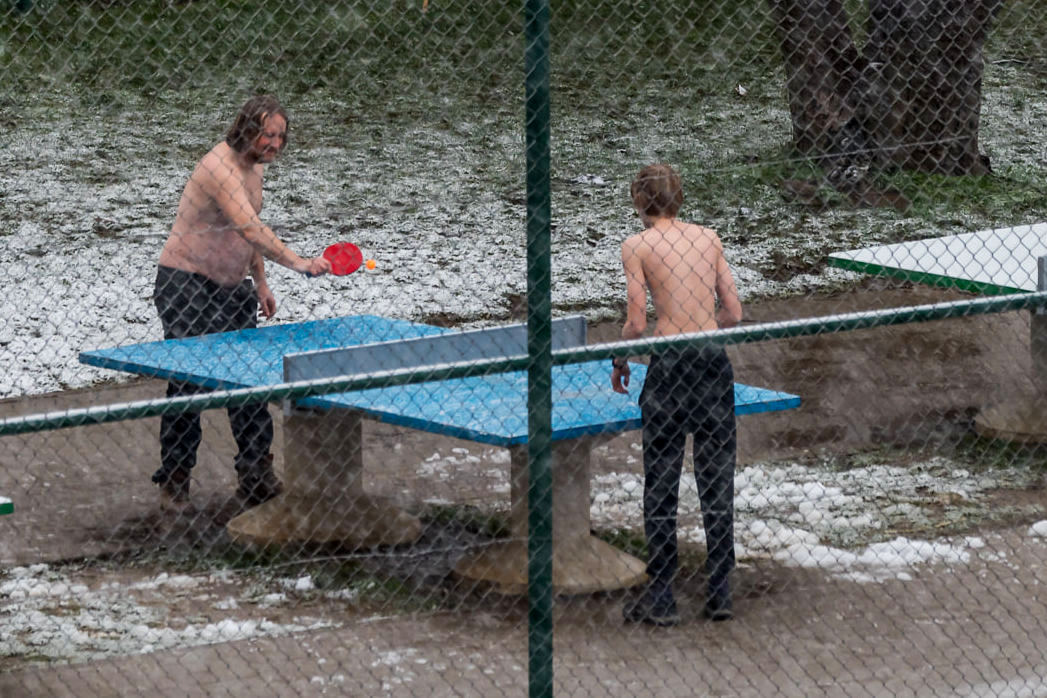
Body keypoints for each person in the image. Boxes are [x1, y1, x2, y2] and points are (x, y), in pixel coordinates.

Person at [151, 95, 331, 508]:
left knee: (248, 380)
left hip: (233, 290)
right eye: (267, 134)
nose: (274, 143)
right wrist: (298, 263)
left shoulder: (253, 170)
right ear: (247, 128)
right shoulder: (220, 166)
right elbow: (249, 226)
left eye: (280, 136)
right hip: (186, 283)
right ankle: (175, 479)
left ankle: (256, 475)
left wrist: (262, 283)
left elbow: (242, 236)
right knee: (188, 382)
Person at [611, 163, 743, 626]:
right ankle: (720, 588)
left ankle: (663, 593)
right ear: (679, 198)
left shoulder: (636, 245)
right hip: (711, 364)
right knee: (716, 477)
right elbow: (733, 309)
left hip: (668, 368)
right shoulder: (708, 238)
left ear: (638, 201)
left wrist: (621, 357)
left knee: (662, 481)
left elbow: (636, 322)